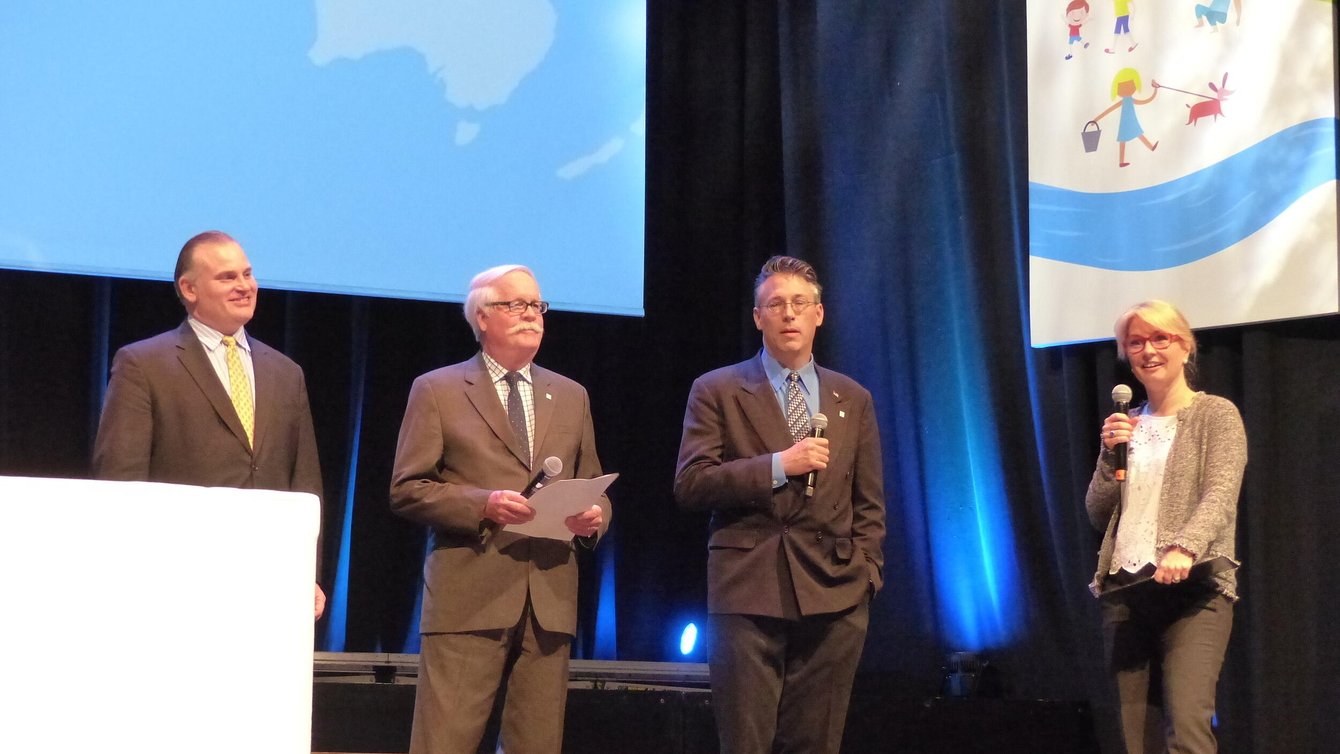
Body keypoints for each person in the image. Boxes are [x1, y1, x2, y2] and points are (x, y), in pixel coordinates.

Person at [390, 264, 610, 754]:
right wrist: (482, 504)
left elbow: (594, 487)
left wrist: (594, 518)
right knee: (444, 744)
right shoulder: (439, 390)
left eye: (537, 305)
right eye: (516, 305)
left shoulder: (572, 396)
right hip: (469, 597)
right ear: (482, 317)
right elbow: (407, 488)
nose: (531, 315)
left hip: (548, 603)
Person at [674, 255, 886, 754]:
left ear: (819, 314)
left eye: (799, 303)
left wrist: (868, 572)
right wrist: (777, 465)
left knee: (815, 742)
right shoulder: (718, 389)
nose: (789, 313)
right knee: (746, 742)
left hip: (835, 593)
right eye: (776, 304)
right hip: (747, 588)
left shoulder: (851, 397)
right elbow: (691, 484)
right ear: (757, 317)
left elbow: (870, 501)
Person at [92, 230, 326, 619]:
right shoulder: (145, 364)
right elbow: (121, 478)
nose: (244, 286)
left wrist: (308, 572)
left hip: (270, 579)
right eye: (227, 277)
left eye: (247, 275)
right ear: (189, 288)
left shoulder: (286, 373)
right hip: (176, 580)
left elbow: (305, 483)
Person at [1086, 300, 1246, 754]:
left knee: (1188, 726)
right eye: (1135, 342)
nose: (1148, 350)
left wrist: (1185, 547)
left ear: (1185, 346)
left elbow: (1220, 492)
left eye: (1161, 338)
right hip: (1126, 592)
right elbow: (1098, 513)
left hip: (1193, 591)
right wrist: (1108, 453)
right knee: (1135, 736)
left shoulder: (1215, 414)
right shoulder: (1128, 423)